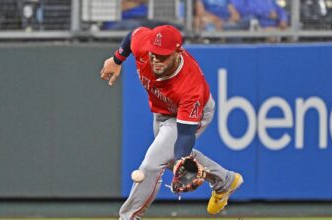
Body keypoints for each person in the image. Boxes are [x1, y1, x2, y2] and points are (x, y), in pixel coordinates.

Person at [100, 25, 243, 220]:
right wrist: (117, 59)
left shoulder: (191, 87)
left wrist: (182, 161)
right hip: (162, 112)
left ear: (178, 52)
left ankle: (128, 217)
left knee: (151, 165)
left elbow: (184, 135)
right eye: (154, 54)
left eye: (163, 56)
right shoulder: (144, 44)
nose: (156, 59)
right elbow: (133, 35)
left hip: (193, 113)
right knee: (168, 159)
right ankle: (225, 180)